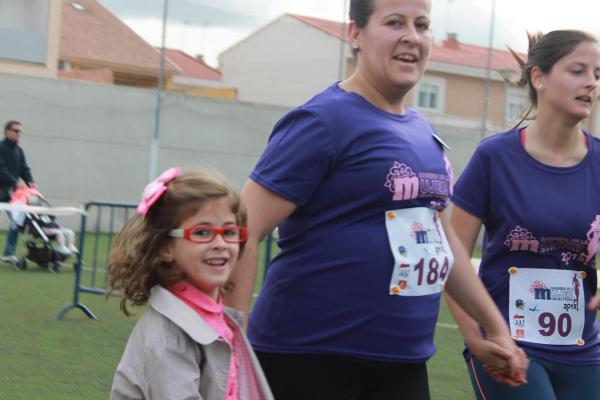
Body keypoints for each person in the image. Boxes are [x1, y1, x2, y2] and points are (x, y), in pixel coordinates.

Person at [224, 0, 527, 399]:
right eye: (395, 23)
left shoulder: (423, 131)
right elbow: (245, 228)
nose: (411, 37)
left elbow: (440, 237)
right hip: (308, 358)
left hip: (403, 362)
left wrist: (496, 328)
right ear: (355, 35)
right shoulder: (323, 120)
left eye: (422, 25)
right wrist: (233, 350)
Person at [446, 30, 600, 400]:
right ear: (538, 78)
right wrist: (476, 338)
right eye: (578, 70)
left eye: (597, 74)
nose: (591, 83)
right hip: (508, 345)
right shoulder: (494, 158)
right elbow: (452, 258)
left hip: (584, 351)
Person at [108, 168, 273, 400]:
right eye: (202, 232)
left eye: (229, 231)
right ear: (166, 247)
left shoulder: (215, 316)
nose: (220, 243)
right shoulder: (170, 334)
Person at [0, 120, 36, 264]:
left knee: (16, 220)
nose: (18, 133)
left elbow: (24, 168)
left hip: (11, 194)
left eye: (20, 131)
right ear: (7, 131)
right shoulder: (1, 148)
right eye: (15, 130)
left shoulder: (19, 151)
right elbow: (1, 169)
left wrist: (31, 181)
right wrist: (15, 181)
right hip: (1, 190)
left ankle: (8, 254)